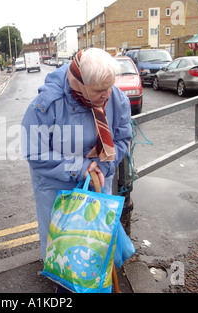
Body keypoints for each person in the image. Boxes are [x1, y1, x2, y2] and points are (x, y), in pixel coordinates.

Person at [21, 48, 133, 261]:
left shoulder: (116, 98)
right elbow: (35, 153)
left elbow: (122, 138)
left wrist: (102, 166)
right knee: (65, 253)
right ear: (78, 83)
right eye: (100, 90)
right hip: (58, 188)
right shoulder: (46, 105)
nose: (107, 95)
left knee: (97, 250)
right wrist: (81, 168)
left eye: (110, 86)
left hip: (98, 179)